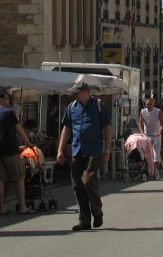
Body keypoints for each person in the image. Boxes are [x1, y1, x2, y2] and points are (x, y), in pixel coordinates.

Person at [57, 80, 112, 231]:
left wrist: (107, 151)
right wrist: (60, 150)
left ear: (86, 92)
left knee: (88, 181)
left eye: (78, 92)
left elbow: (107, 129)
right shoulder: (72, 107)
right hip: (77, 150)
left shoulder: (99, 106)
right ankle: (84, 220)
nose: (75, 95)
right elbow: (66, 129)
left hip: (93, 150)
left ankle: (97, 212)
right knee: (77, 185)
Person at [0, 90, 32, 215]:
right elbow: (19, 129)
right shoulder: (8, 112)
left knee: (0, 179)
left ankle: (1, 208)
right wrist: (27, 141)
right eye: (7, 98)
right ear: (0, 99)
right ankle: (22, 206)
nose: (9, 100)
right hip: (11, 150)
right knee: (19, 178)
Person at [139, 98, 163, 174]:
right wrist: (142, 132)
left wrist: (159, 132)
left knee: (156, 153)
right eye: (147, 104)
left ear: (153, 104)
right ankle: (148, 169)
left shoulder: (158, 111)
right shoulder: (143, 111)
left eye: (150, 104)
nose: (148, 106)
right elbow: (140, 123)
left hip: (156, 135)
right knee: (147, 153)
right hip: (147, 135)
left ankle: (155, 170)